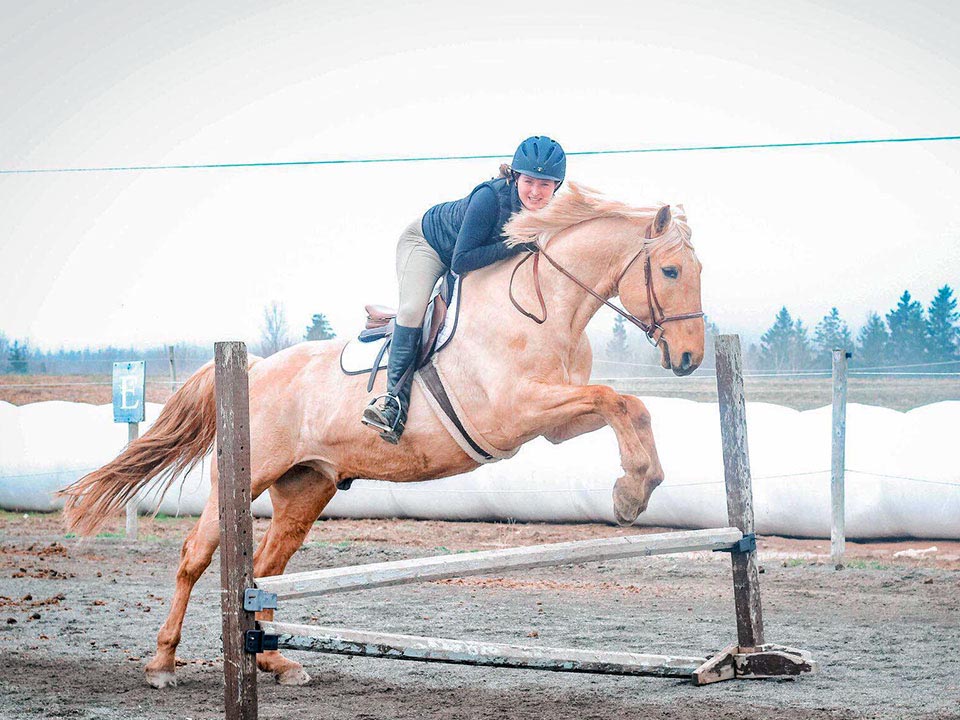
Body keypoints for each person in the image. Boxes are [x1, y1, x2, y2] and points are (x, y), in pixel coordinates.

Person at [361, 135, 567, 444]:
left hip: (475, 254)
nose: (535, 192)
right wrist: (516, 243)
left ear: (556, 187)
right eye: (529, 182)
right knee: (413, 309)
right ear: (515, 176)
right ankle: (392, 403)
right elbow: (460, 261)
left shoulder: (551, 212)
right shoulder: (489, 198)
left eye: (545, 185)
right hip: (429, 246)